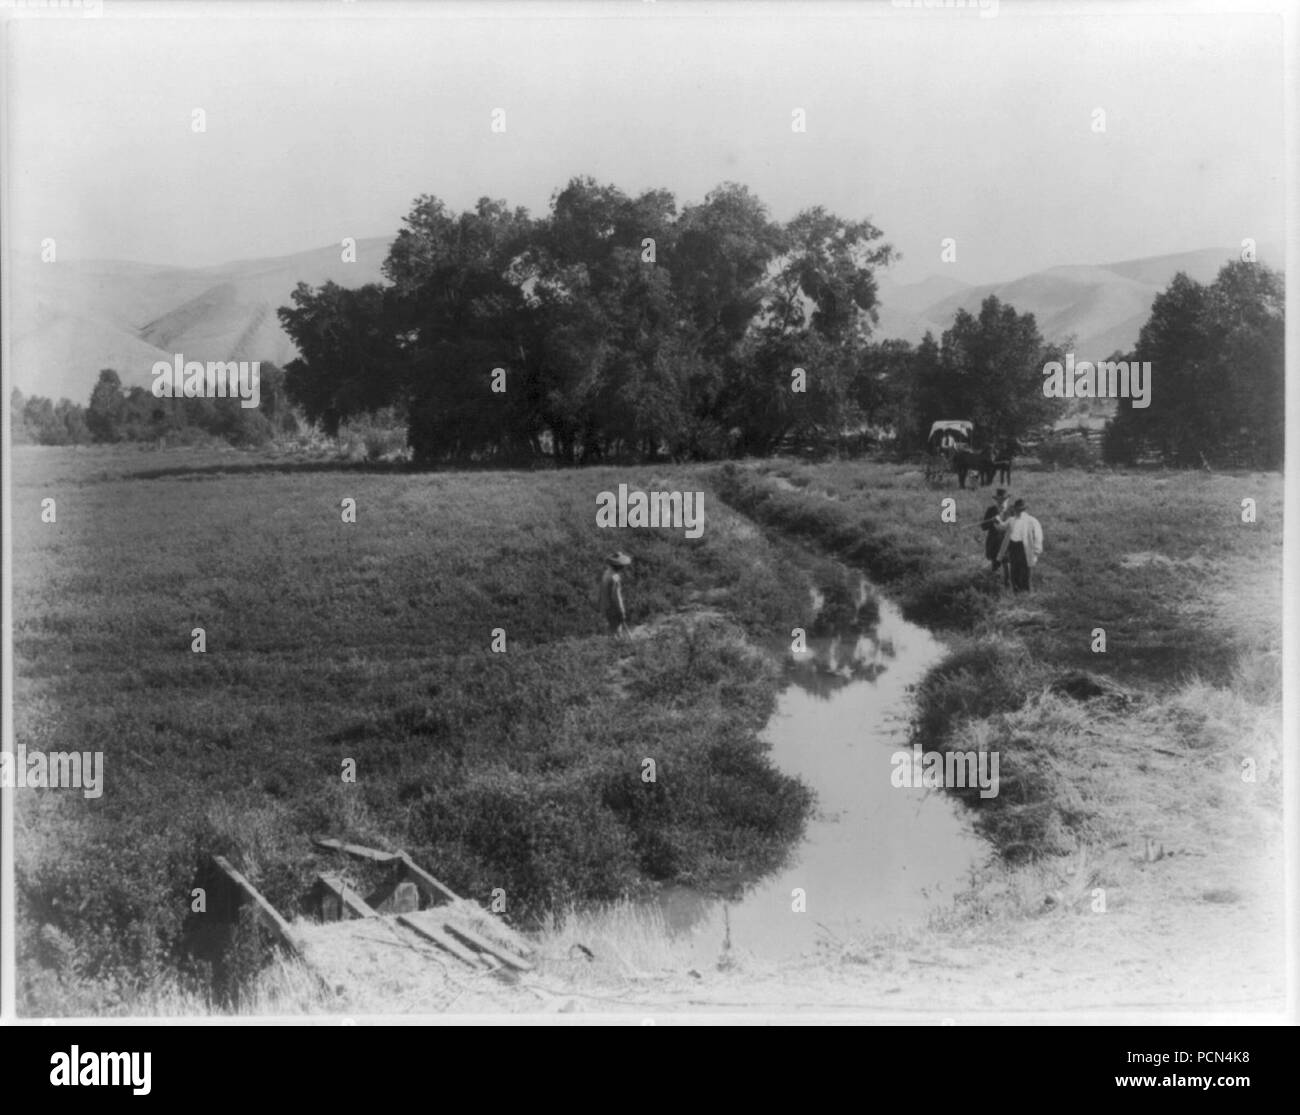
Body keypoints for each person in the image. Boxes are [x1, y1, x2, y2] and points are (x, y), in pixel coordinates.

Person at [997, 498, 1043, 593]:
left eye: (1021, 510)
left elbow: (1038, 537)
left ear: (1025, 510)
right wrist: (997, 520)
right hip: (1014, 548)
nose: (1019, 512)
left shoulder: (1032, 521)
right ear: (1014, 510)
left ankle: (1027, 596)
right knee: (1014, 572)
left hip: (1026, 549)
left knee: (1025, 574)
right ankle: (1016, 594)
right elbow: (1002, 527)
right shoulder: (1011, 520)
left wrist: (1036, 553)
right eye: (1017, 510)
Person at [980, 488, 1011, 587]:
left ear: (1007, 500)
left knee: (1007, 566)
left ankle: (1007, 586)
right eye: (999, 500)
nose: (1001, 502)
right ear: (996, 500)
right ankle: (994, 586)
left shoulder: (1011, 511)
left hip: (1007, 543)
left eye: (1003, 500)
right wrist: (991, 521)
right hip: (994, 543)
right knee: (995, 566)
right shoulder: (991, 510)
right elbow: (983, 527)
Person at [598, 551, 632, 637]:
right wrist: (621, 611)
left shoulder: (606, 573)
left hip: (605, 607)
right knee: (616, 633)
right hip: (613, 609)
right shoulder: (615, 578)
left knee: (611, 630)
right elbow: (616, 597)